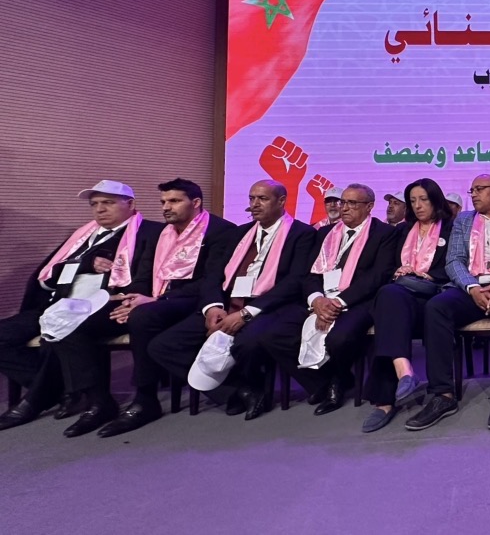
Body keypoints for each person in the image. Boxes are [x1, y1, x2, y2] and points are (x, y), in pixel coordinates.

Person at [0, 180, 164, 435]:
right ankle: (64, 388)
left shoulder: (152, 233)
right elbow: (47, 277)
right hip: (57, 303)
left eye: (108, 203)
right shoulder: (81, 236)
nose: (100, 209)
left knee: (68, 329)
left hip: (106, 305)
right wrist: (85, 264)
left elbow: (153, 275)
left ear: (131, 204)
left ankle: (40, 398)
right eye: (94, 204)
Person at [147, 180, 316, 420]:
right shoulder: (238, 233)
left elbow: (294, 282)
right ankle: (238, 391)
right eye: (251, 198)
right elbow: (213, 275)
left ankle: (250, 388)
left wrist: (247, 313)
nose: (255, 204)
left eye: (262, 199)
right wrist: (213, 307)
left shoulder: (302, 233)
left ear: (281, 201)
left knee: (247, 342)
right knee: (162, 346)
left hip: (267, 306)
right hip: (227, 305)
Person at [94, 180, 238, 437]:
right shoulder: (162, 233)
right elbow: (145, 274)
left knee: (144, 317)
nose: (166, 207)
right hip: (158, 299)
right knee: (89, 321)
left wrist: (156, 301)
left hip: (196, 300)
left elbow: (212, 280)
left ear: (196, 203)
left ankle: (145, 399)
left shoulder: (221, 231)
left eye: (174, 201)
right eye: (163, 202)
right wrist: (133, 297)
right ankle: (93, 399)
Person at [260, 184, 397, 416]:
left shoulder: (384, 233)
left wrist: (338, 302)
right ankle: (325, 381)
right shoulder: (325, 233)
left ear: (369, 206)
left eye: (352, 203)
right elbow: (309, 274)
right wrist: (316, 300)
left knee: (339, 339)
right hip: (320, 299)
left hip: (357, 301)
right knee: (273, 335)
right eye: (343, 202)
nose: (345, 208)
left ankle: (336, 381)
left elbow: (377, 276)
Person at [410, 174, 490, 432]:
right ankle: (442, 395)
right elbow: (454, 260)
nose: (473, 194)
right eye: (472, 190)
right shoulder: (463, 220)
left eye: (479, 189)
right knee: (436, 307)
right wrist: (472, 287)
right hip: (471, 287)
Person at [361, 178, 455, 433]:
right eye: (413, 201)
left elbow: (456, 264)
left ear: (436, 200)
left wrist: (429, 275)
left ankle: (385, 399)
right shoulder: (402, 230)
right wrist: (399, 272)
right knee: (389, 296)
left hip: (434, 296)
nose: (418, 206)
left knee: (387, 311)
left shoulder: (452, 227)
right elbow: (386, 268)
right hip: (402, 295)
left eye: (423, 199)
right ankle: (403, 373)